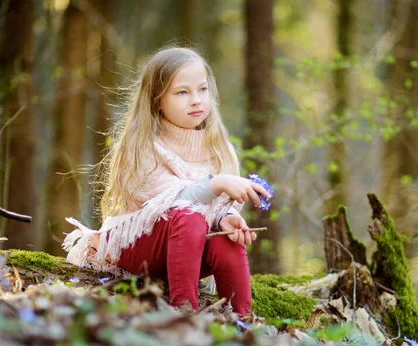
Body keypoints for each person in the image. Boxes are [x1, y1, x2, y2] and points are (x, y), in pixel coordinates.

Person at [63, 47, 271, 315]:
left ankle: (242, 320)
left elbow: (216, 206)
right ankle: (184, 313)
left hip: (185, 249)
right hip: (137, 248)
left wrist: (224, 218)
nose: (196, 100)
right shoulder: (142, 146)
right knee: (187, 215)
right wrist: (217, 184)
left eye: (203, 89)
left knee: (226, 240)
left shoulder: (219, 147)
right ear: (157, 100)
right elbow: (169, 204)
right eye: (182, 92)